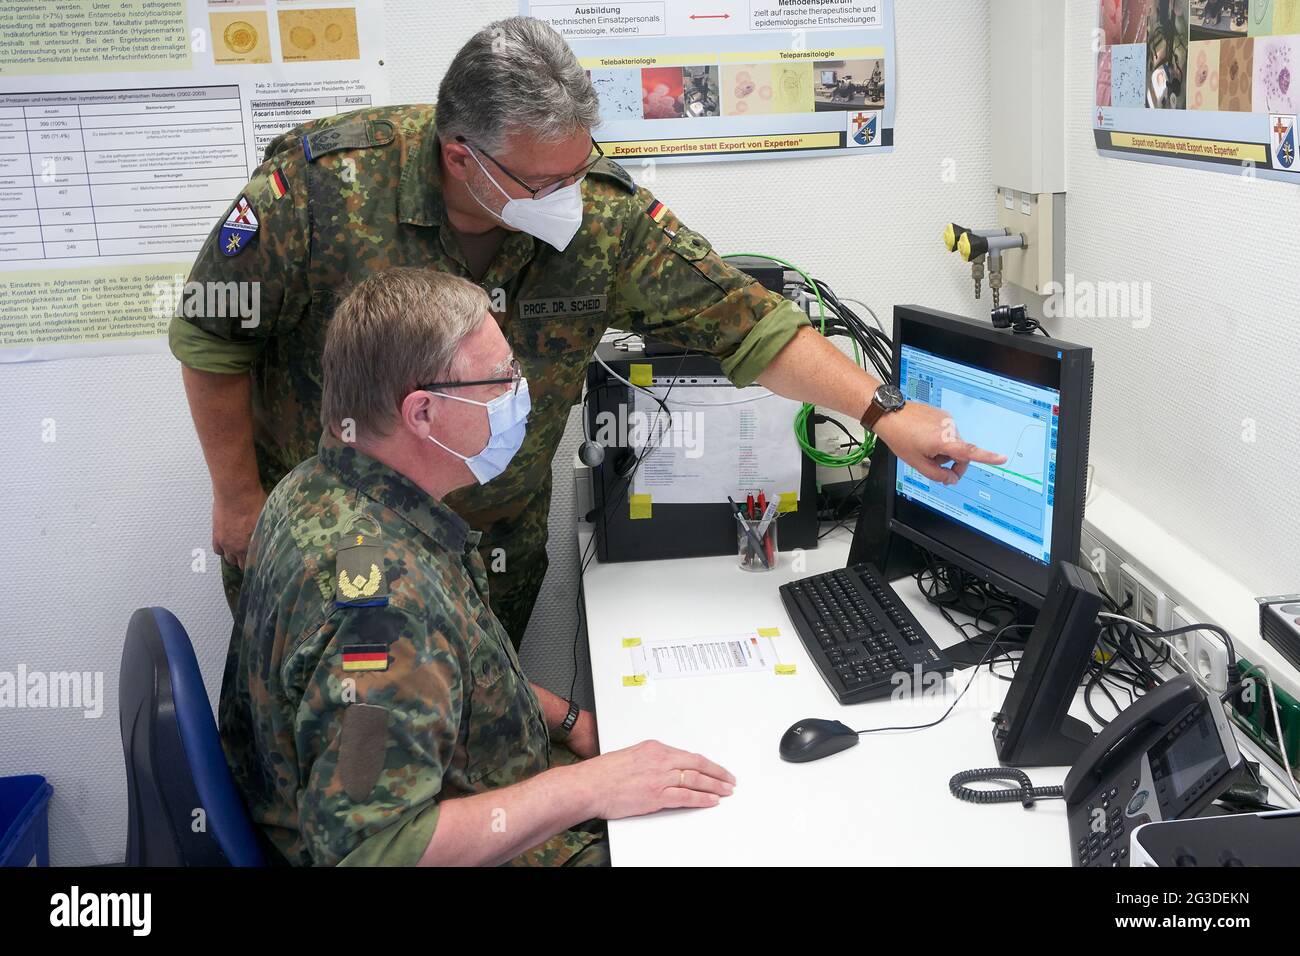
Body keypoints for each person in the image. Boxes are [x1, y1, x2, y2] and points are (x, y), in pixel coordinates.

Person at [171, 15, 1004, 657]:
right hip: (333, 550)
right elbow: (212, 338)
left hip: (490, 553)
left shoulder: (602, 215)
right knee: (355, 790)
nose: (571, 195)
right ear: (462, 158)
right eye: (546, 181)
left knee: (476, 755)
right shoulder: (322, 190)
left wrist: (884, 413)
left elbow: (750, 325)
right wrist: (238, 498)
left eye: (581, 167)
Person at [219, 267, 737, 866]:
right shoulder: (381, 610)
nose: (522, 394)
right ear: (422, 414)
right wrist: (590, 787)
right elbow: (374, 851)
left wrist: (569, 721)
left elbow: (457, 676)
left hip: (483, 789)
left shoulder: (318, 487)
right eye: (500, 381)